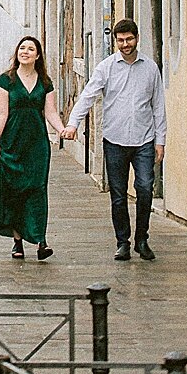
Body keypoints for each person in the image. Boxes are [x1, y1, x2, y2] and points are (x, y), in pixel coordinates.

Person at [63, 19, 166, 262]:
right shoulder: (106, 68)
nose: (125, 44)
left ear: (137, 38)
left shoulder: (150, 68)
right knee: (118, 194)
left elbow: (159, 106)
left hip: (144, 140)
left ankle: (142, 239)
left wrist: (160, 141)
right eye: (120, 40)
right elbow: (88, 96)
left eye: (129, 39)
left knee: (144, 188)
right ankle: (123, 242)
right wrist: (72, 123)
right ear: (115, 42)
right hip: (115, 140)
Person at [0, 34, 67, 261]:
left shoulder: (45, 83)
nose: (25, 52)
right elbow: (1, 112)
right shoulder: (6, 80)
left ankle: (40, 240)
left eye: (30, 49)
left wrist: (61, 129)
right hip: (12, 142)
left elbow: (50, 112)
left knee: (38, 189)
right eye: (22, 48)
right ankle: (17, 241)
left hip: (37, 145)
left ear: (37, 56)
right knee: (14, 190)